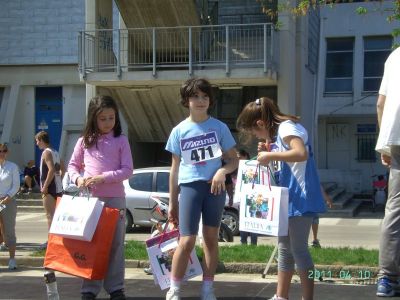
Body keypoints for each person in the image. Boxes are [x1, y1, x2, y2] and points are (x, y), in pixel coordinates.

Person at [236, 97, 326, 300]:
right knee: (285, 249)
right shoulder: (280, 133)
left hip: (299, 197)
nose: (256, 136)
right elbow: (290, 161)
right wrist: (269, 153)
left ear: (260, 123)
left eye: (255, 132)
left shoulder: (286, 128)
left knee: (299, 250)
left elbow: (300, 153)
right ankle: (281, 296)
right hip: (288, 198)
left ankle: (307, 297)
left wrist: (270, 156)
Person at [165, 78, 238, 300]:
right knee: (186, 241)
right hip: (189, 188)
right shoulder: (179, 131)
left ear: (210, 101)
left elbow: (234, 160)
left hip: (214, 189)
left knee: (210, 238)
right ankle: (174, 289)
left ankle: (207, 289)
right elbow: (174, 170)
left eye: (205, 97)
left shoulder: (219, 127)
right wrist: (172, 202)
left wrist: (221, 172)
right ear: (187, 100)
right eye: (196, 96)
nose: (200, 101)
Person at [68, 95, 133, 300]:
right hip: (89, 202)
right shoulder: (84, 141)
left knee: (115, 246)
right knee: (91, 246)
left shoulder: (121, 140)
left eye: (111, 118)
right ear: (93, 119)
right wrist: (78, 180)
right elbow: (72, 166)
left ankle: (116, 288)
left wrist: (102, 178)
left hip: (115, 200)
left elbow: (128, 170)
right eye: (103, 118)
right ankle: (89, 289)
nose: (107, 122)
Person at [375, 47, 400, 297]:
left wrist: (384, 143)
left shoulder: (394, 56)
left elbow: (381, 103)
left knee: (395, 208)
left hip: (396, 137)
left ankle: (387, 278)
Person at [35, 131, 64, 246]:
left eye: (37, 141)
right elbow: (63, 168)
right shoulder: (55, 151)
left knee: (50, 216)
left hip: (49, 189)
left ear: (41, 140)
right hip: (58, 188)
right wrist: (59, 179)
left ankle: (51, 242)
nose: (37, 144)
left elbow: (51, 169)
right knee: (55, 216)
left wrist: (45, 186)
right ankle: (56, 240)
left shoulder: (46, 152)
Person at [0, 143, 20, 269]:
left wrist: (8, 197)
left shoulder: (12, 166)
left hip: (8, 201)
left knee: (9, 231)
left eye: (4, 151)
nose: (2, 153)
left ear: (7, 152)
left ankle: (12, 259)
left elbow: (16, 185)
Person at [237, 149, 258, 246]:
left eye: (240, 157)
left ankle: (254, 243)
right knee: (243, 220)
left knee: (254, 220)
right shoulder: (240, 167)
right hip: (243, 197)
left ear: (245, 155)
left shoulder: (255, 165)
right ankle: (243, 242)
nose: (238, 160)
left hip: (255, 196)